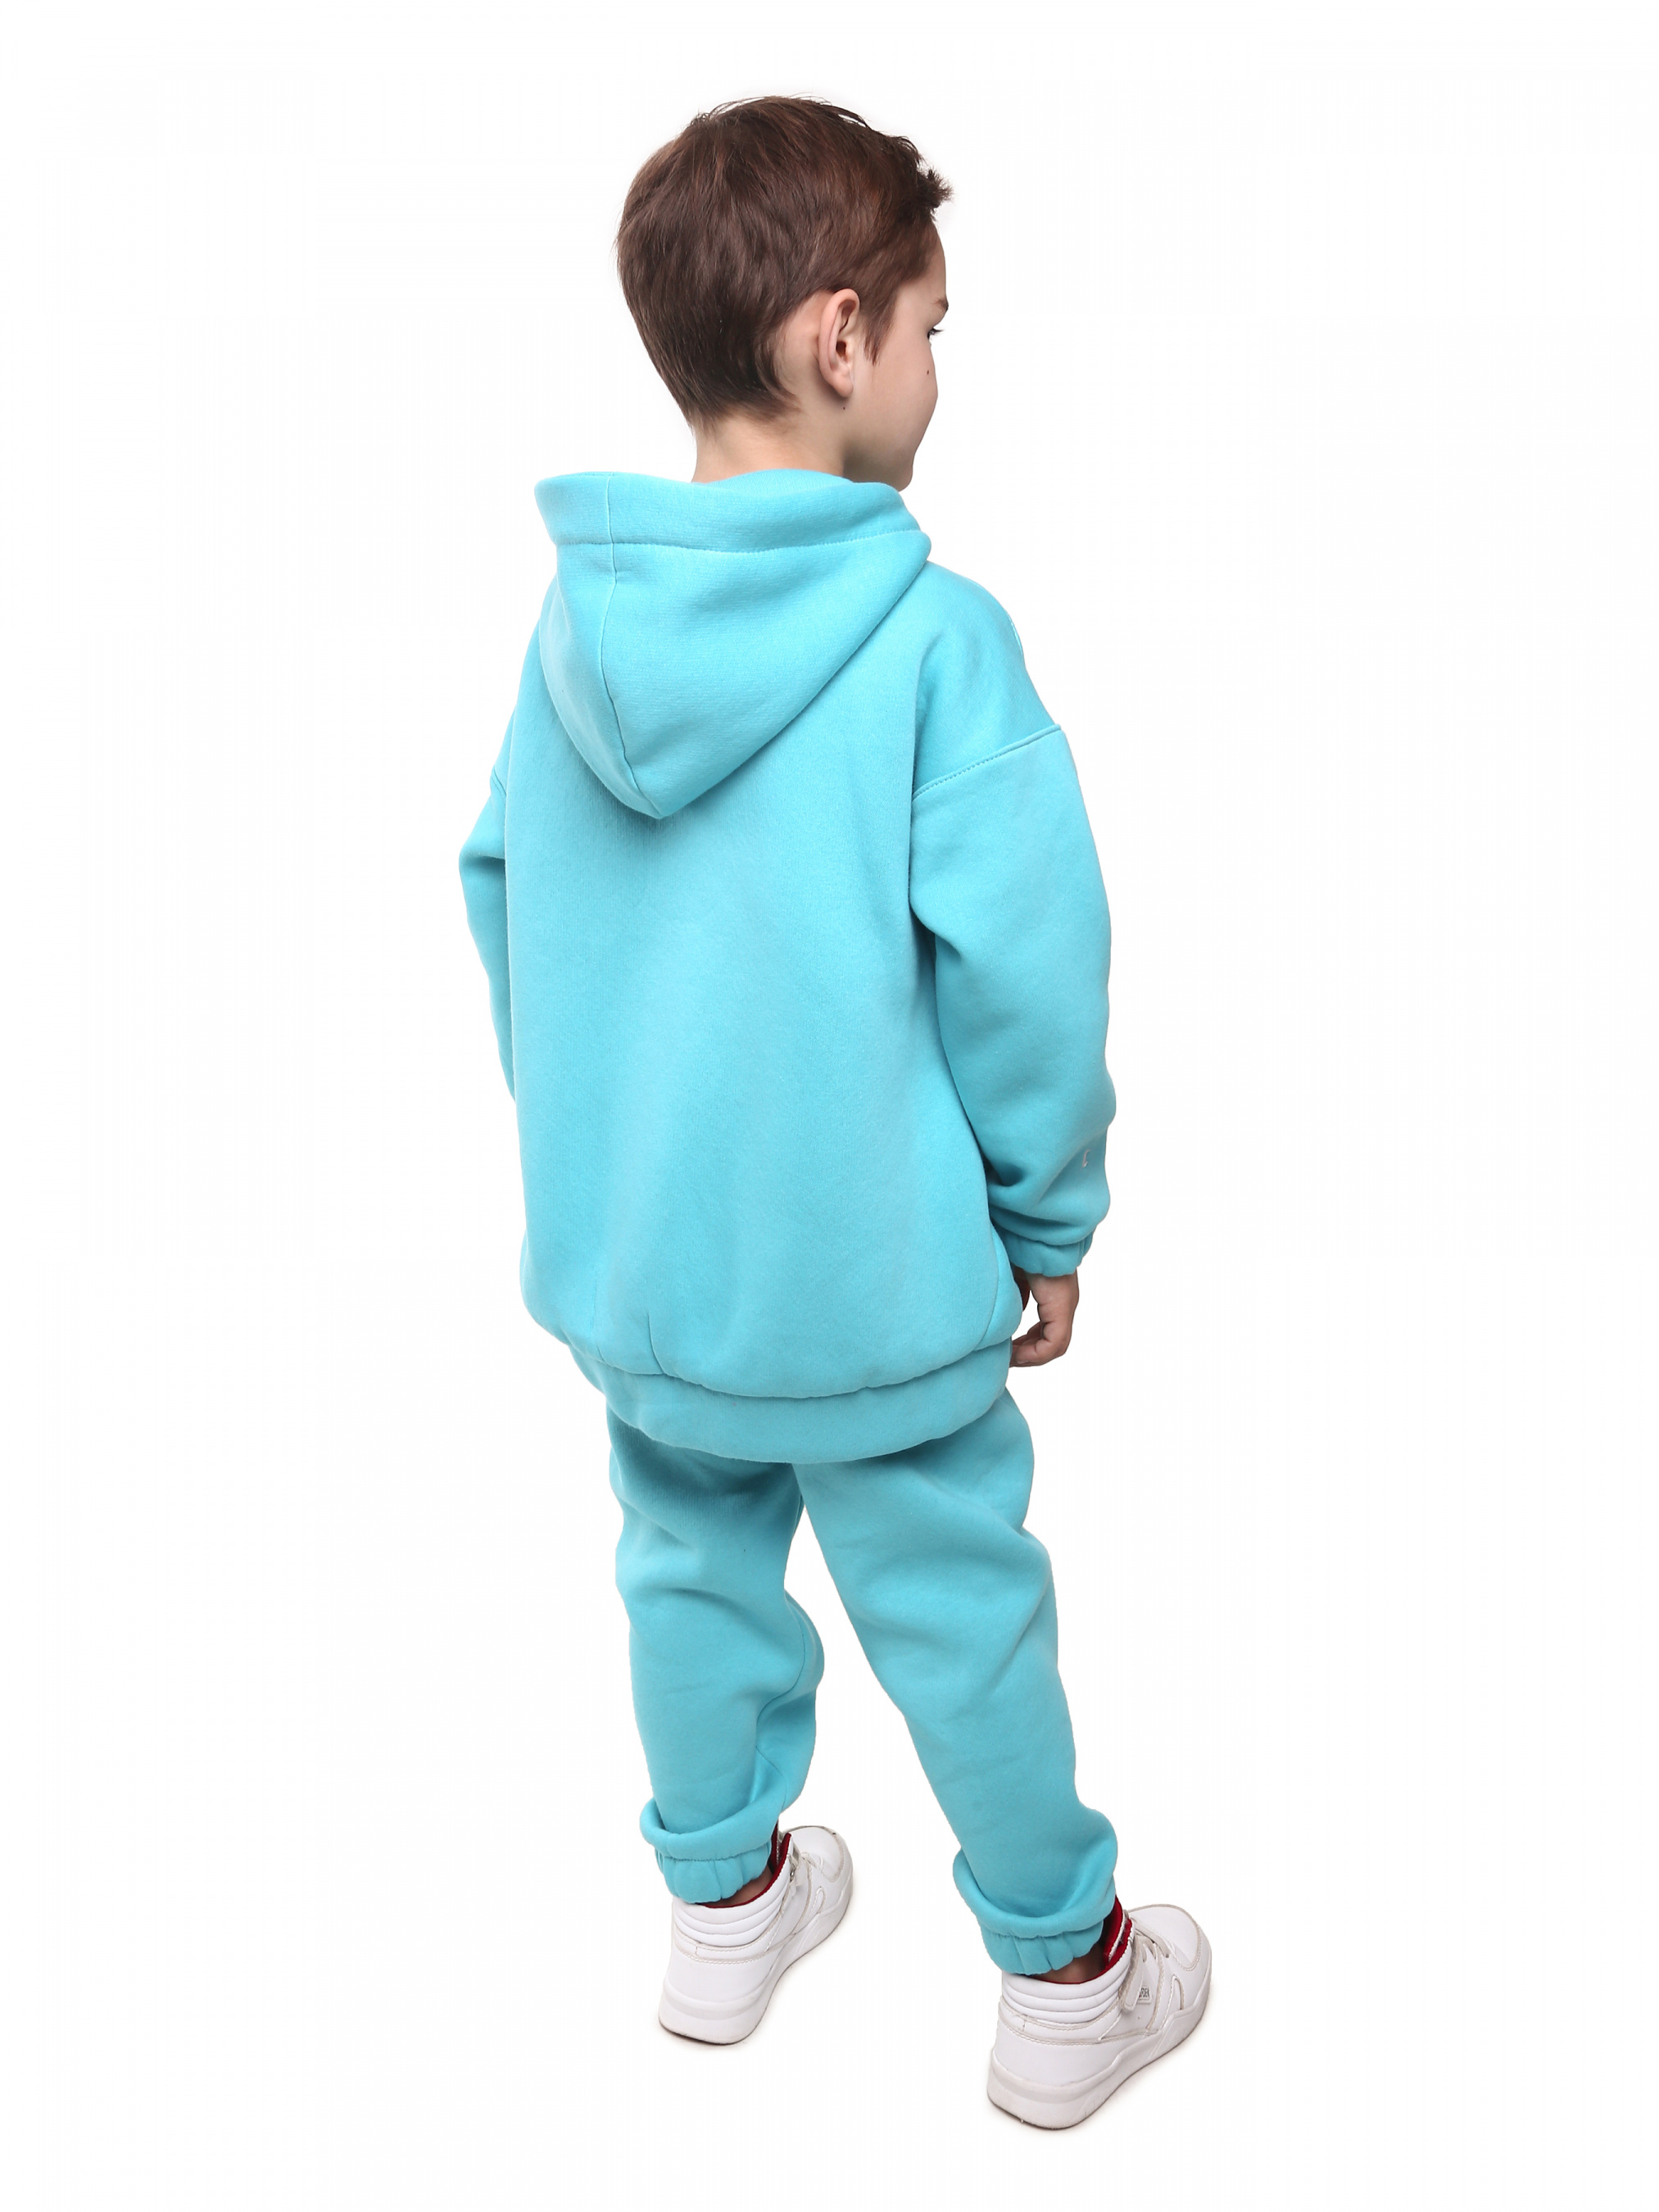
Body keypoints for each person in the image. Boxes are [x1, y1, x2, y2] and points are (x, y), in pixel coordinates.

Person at [459, 95, 1208, 2128]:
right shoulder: (936, 642)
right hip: (876, 1286)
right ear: (841, 336)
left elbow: (506, 896)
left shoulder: (569, 638)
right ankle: (1067, 1977)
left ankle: (721, 1910)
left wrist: (598, 1150)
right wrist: (1044, 1218)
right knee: (957, 1615)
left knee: (685, 1574)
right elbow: (1028, 968)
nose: (941, 371)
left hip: (652, 1278)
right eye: (937, 329)